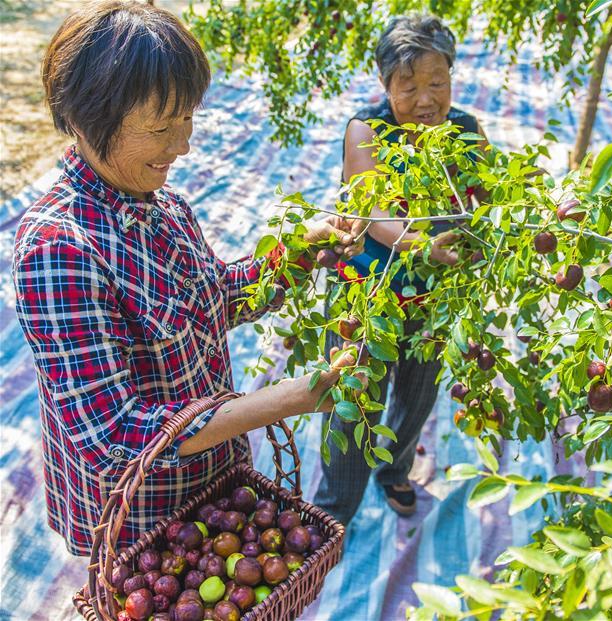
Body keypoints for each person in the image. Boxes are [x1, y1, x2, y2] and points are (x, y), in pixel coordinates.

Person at [12, 0, 364, 556]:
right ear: (85, 120)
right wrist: (288, 399)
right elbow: (116, 438)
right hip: (141, 518)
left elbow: (216, 299)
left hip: (209, 480)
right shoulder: (59, 250)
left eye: (187, 119)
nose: (182, 145)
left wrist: (299, 256)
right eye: (160, 127)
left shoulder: (166, 207)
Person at [313, 13, 489, 524]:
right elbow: (373, 212)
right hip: (366, 293)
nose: (426, 100)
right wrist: (421, 245)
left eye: (438, 83)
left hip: (435, 294)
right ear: (385, 84)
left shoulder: (466, 131)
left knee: (417, 394)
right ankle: (335, 508)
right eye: (409, 87)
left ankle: (395, 470)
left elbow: (487, 196)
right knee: (354, 397)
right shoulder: (366, 130)